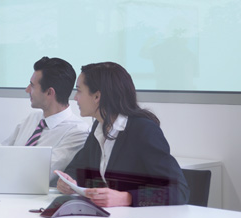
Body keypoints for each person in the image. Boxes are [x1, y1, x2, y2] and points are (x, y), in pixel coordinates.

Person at [56, 62, 190, 207]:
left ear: (97, 96)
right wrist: (70, 181)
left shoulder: (144, 130)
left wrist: (127, 198)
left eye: (79, 91)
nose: (75, 97)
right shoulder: (99, 127)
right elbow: (77, 167)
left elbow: (179, 190)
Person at [0, 57, 89, 185]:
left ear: (49, 93)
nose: (27, 89)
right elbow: (4, 151)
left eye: (32, 85)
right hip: (6, 188)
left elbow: (39, 171)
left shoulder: (78, 131)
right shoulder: (33, 118)